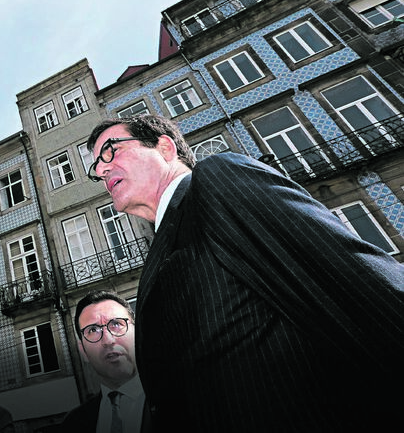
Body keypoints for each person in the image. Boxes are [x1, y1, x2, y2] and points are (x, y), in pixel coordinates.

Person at [86, 114, 404, 431]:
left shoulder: (215, 181)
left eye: (111, 150)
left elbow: (359, 284)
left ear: (165, 148)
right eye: (96, 168)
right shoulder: (165, 240)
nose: (102, 170)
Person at [58, 291, 148, 433]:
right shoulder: (72, 424)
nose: (108, 340)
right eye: (93, 330)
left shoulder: (182, 397)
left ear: (137, 333)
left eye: (117, 324)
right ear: (83, 351)